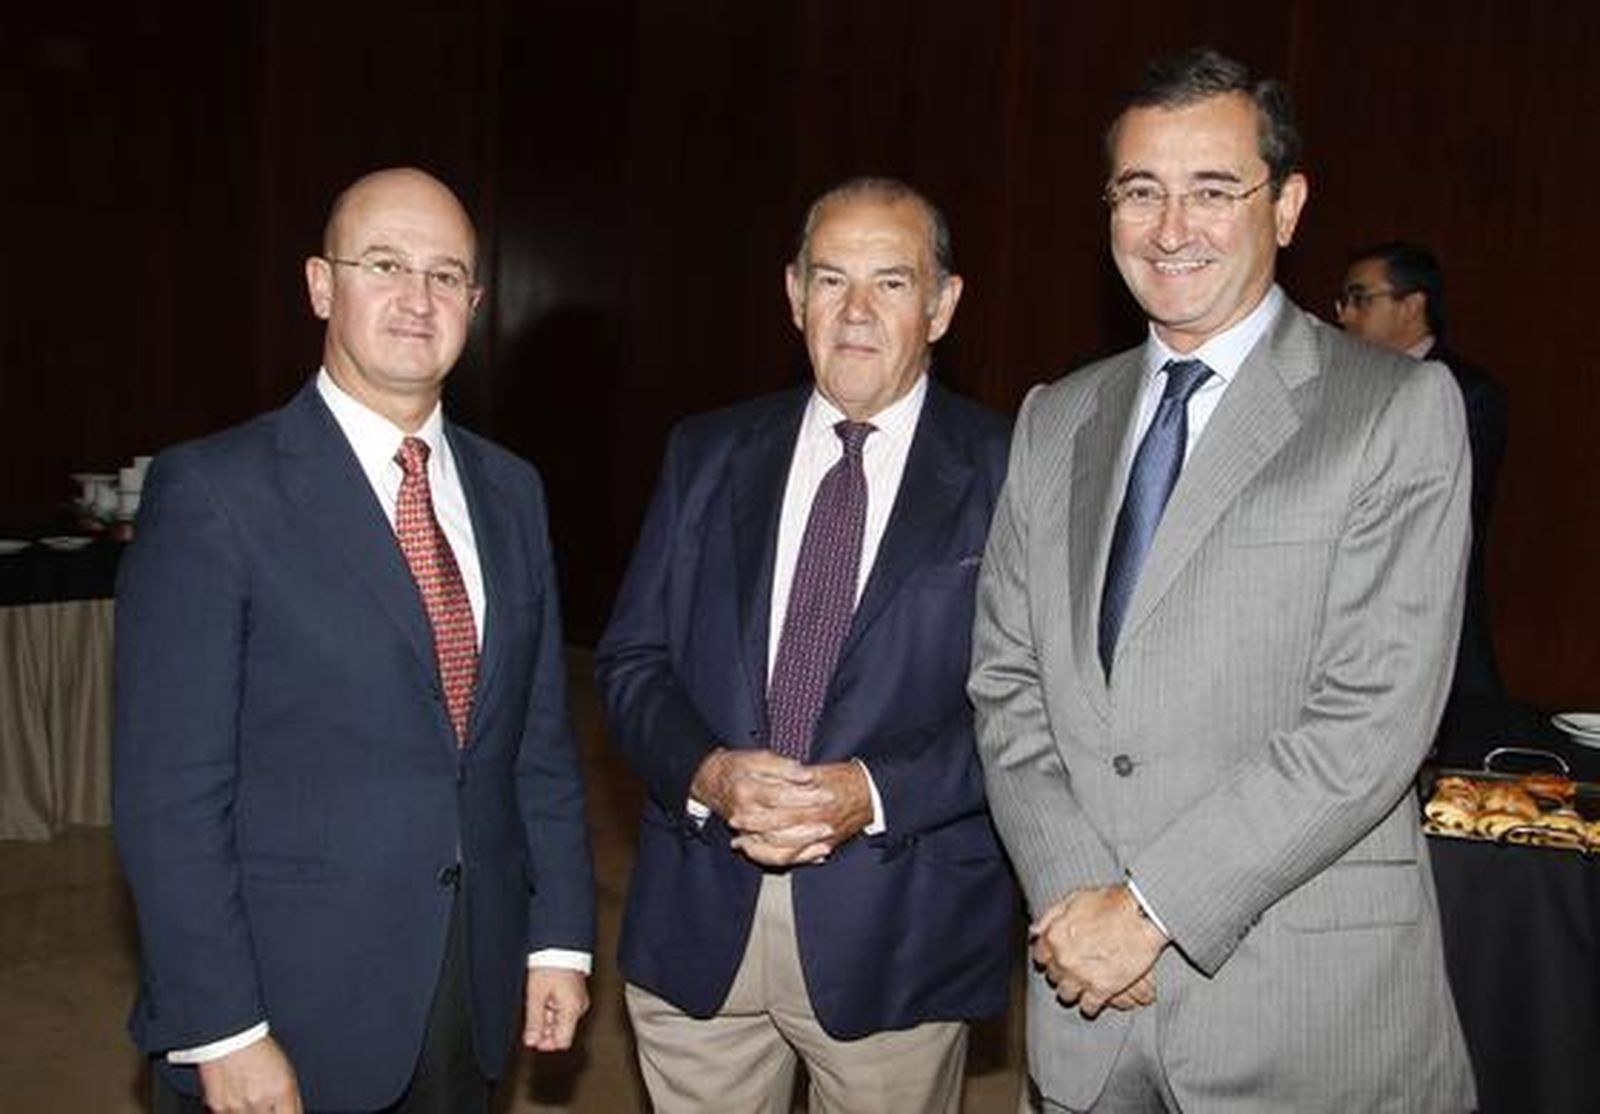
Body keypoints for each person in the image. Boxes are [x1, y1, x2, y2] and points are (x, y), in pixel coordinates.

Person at [969, 49, 1477, 1113]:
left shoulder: (1393, 412)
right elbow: (1007, 687)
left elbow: (1370, 721)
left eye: (1212, 190)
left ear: (1286, 206)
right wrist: (1082, 905)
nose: (1170, 227)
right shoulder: (1054, 420)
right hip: (1086, 1010)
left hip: (1302, 1018)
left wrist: (1148, 910)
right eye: (1140, 190)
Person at [114, 167, 595, 1114]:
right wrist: (223, 1028)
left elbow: (539, 747)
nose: (419, 299)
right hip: (286, 1004)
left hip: (470, 984)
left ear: (476, 301)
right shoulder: (214, 492)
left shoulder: (512, 491)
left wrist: (559, 939)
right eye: (385, 264)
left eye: (447, 274)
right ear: (321, 286)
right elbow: (167, 795)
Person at [594, 177, 1015, 1114]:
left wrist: (869, 791)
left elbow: (1031, 709)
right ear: (794, 295)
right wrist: (707, 773)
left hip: (898, 933)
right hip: (700, 916)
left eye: (893, 284)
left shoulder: (1015, 468)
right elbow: (630, 663)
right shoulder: (704, 452)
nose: (857, 312)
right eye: (831, 280)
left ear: (944, 304)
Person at [1337, 240, 1509, 721]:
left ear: (1412, 305)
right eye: (1343, 301)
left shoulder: (1468, 393)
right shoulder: (1339, 389)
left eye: (1361, 298)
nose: (1346, 316)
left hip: (1428, 622)